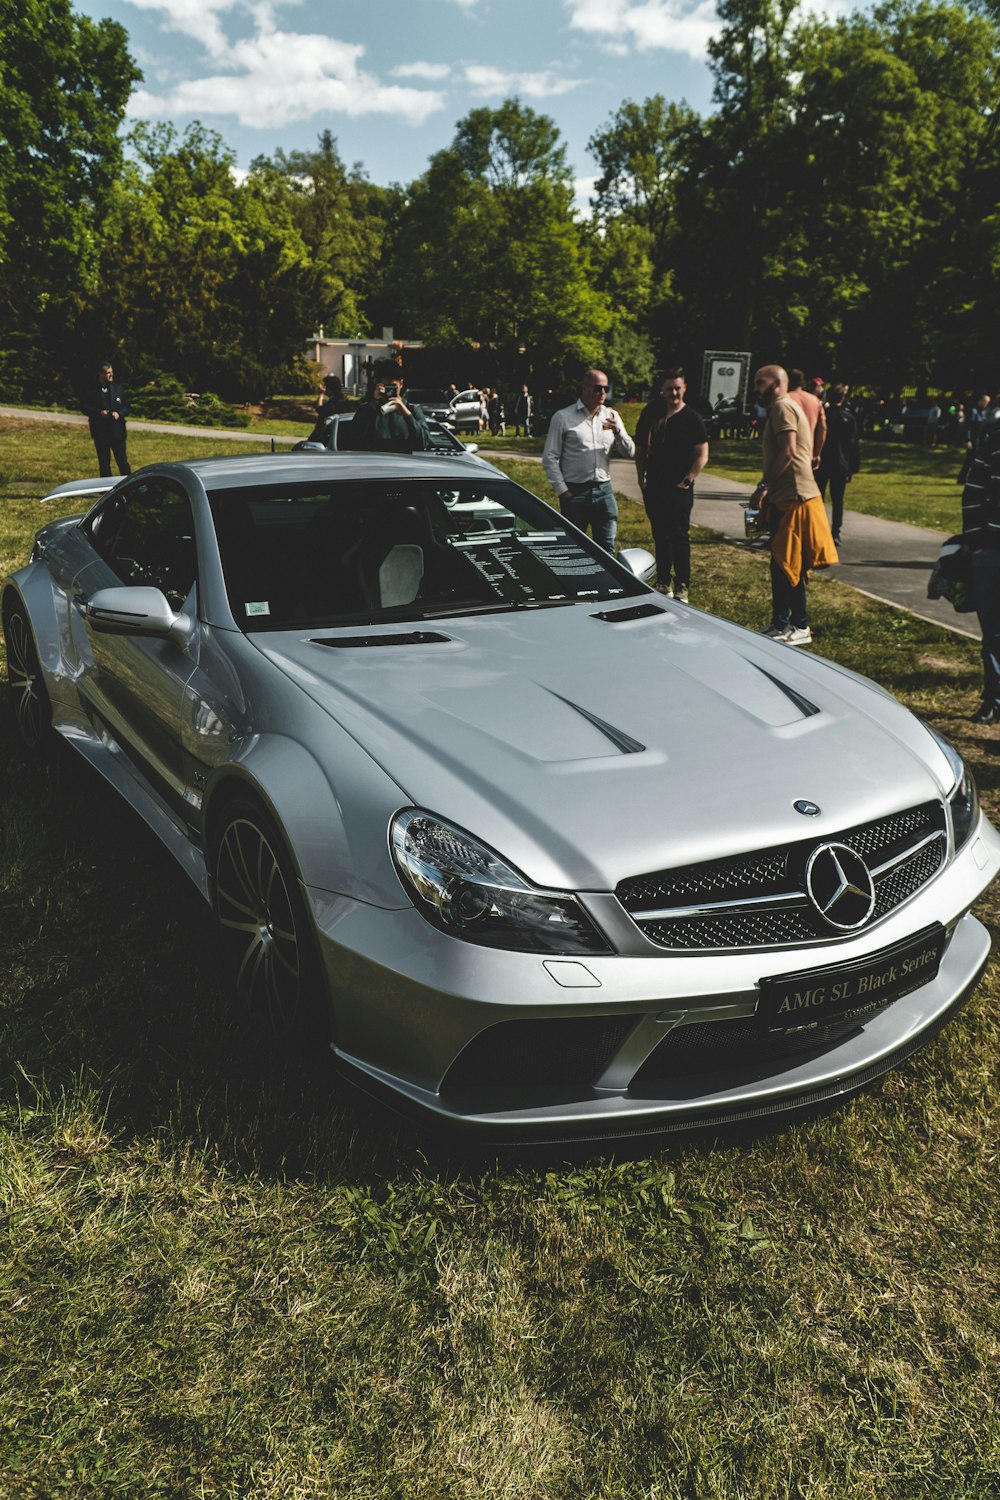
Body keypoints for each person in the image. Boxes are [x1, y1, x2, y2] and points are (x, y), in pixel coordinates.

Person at [749, 364, 838, 646]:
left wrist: (763, 487)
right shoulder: (783, 405)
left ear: (776, 383)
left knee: (790, 565)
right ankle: (780, 622)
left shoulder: (782, 407)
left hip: (796, 496)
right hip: (787, 496)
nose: (755, 388)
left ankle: (800, 625)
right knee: (780, 563)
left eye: (759, 382)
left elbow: (787, 451)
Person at [634, 368, 709, 602]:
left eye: (677, 388)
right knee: (660, 534)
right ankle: (663, 581)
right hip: (655, 485)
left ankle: (682, 584)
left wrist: (687, 480)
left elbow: (702, 454)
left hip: (680, 488)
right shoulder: (652, 414)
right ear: (662, 390)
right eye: (669, 388)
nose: (673, 393)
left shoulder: (692, 418)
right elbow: (640, 448)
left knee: (679, 535)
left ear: (684, 388)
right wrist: (640, 477)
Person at [541, 369, 635, 554]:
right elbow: (549, 457)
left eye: (606, 388)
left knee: (606, 547)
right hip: (575, 492)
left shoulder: (612, 416)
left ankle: (606, 583)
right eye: (598, 388)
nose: (602, 393)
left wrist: (619, 432)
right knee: (573, 548)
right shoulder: (563, 417)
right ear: (584, 388)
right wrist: (563, 491)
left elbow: (629, 452)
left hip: (603, 490)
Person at [961, 422, 1000, 723]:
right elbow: (974, 489)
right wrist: (976, 541)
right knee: (993, 633)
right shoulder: (996, 437)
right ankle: (994, 699)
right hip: (990, 550)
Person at [348, 365, 430, 453]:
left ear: (401, 384)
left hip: (403, 462)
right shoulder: (368, 408)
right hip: (374, 461)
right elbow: (354, 438)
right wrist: (374, 403)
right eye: (387, 387)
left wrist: (407, 415)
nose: (390, 391)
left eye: (393, 387)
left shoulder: (412, 409)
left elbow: (424, 442)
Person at [816, 384, 861, 543]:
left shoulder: (823, 415)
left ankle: (818, 528)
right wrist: (853, 468)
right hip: (841, 463)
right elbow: (853, 445)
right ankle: (835, 531)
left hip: (823, 461)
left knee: (818, 497)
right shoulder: (848, 418)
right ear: (843, 398)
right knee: (838, 499)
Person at [81, 360, 131, 477]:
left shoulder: (118, 388)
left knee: (122, 461)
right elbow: (84, 407)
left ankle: (128, 485)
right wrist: (99, 413)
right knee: (104, 463)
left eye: (112, 372)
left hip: (117, 431)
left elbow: (127, 406)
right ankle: (106, 489)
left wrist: (119, 414)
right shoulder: (91, 390)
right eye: (108, 373)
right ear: (101, 374)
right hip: (100, 431)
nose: (111, 375)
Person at [787, 369, 827, 471]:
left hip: (785, 453)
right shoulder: (815, 401)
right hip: (806, 453)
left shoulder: (784, 399)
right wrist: (817, 454)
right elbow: (822, 429)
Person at [307, 373, 347, 443]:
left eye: (324, 385)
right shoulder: (337, 399)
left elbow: (320, 409)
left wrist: (321, 394)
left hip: (327, 436)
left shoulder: (335, 402)